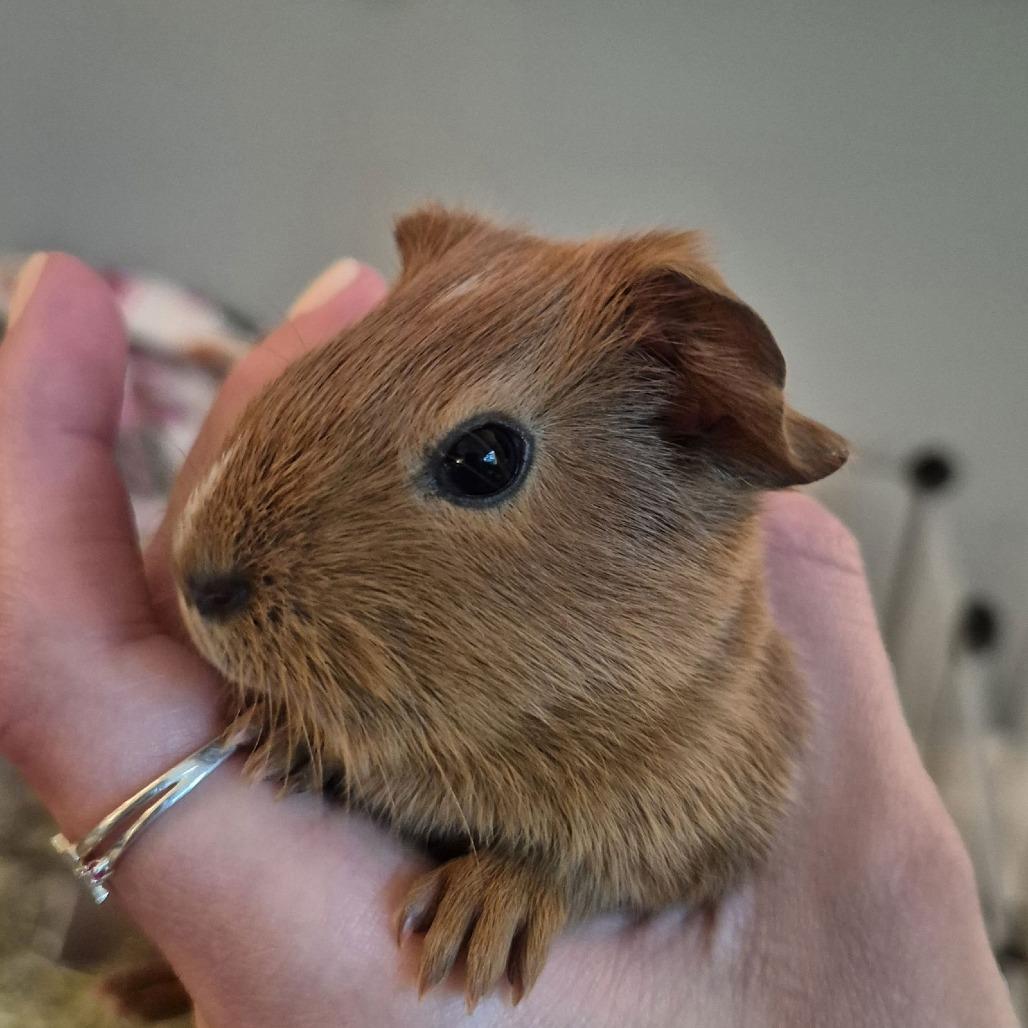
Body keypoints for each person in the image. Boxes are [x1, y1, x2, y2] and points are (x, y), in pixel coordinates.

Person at [0, 252, 1016, 1028]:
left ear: (694, 417)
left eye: (481, 463)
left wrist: (549, 879)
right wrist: (294, 726)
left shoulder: (694, 729)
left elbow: (701, 849)